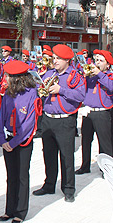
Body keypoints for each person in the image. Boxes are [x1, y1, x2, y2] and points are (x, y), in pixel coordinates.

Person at [33, 44, 85, 203]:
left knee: (66, 156)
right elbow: (39, 88)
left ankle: (69, 189)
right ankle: (49, 184)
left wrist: (60, 89)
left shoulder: (76, 76)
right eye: (54, 58)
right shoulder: (50, 73)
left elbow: (80, 95)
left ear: (67, 60)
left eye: (58, 59)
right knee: (48, 154)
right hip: (48, 118)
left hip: (65, 120)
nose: (54, 61)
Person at [0, 60, 42, 223]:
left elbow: (29, 123)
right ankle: (9, 209)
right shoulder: (7, 93)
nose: (5, 78)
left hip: (22, 141)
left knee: (22, 175)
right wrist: (2, 139)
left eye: (8, 76)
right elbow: (1, 116)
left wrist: (13, 142)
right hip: (7, 139)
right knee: (11, 176)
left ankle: (20, 212)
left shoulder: (31, 93)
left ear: (17, 78)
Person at [76, 50, 113, 174]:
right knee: (86, 140)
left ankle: (106, 169)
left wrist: (99, 74)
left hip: (102, 112)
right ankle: (85, 166)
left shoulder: (111, 75)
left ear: (108, 64)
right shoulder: (90, 75)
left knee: (104, 142)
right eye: (96, 60)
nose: (97, 63)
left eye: (101, 61)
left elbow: (112, 87)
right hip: (88, 111)